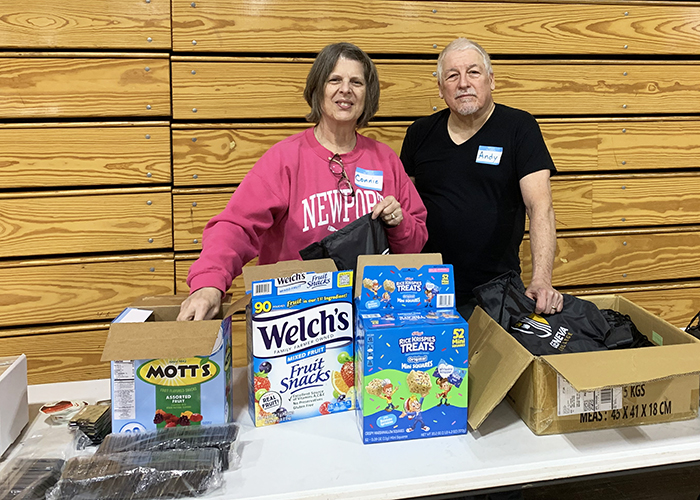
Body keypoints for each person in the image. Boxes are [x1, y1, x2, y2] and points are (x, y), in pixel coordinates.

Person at [178, 42, 428, 321]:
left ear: (367, 94)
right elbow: (236, 226)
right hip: (296, 323)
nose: (345, 89)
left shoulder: (385, 160)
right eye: (334, 80)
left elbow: (415, 242)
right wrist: (209, 283)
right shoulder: (284, 159)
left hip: (369, 320)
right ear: (317, 89)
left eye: (356, 82)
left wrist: (398, 224)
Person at [400, 38, 562, 320]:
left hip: (497, 293)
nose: (463, 83)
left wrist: (541, 280)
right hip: (427, 292)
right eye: (452, 75)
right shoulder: (419, 133)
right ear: (440, 88)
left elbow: (540, 207)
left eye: (473, 72)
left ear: (491, 80)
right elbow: (406, 212)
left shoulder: (519, 128)